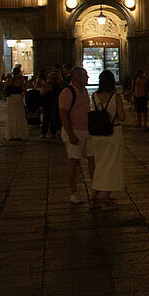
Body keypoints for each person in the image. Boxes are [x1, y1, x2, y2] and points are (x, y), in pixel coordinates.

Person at [89, 70, 126, 208]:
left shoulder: (94, 96)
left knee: (100, 165)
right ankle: (105, 197)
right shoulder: (115, 97)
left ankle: (94, 195)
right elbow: (122, 117)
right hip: (113, 133)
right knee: (112, 165)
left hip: (97, 135)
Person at [59, 66, 96, 203]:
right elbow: (63, 114)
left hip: (87, 130)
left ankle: (95, 189)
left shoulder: (84, 91)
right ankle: (73, 192)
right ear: (76, 77)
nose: (87, 78)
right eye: (85, 76)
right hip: (75, 130)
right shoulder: (67, 92)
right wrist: (70, 134)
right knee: (73, 161)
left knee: (93, 159)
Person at [4, 65, 28, 140]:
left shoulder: (9, 80)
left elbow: (5, 88)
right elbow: (24, 90)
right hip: (18, 98)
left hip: (11, 99)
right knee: (19, 115)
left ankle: (11, 134)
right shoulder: (20, 81)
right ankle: (18, 133)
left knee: (11, 116)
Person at [40, 70, 63, 139]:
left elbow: (42, 93)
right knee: (54, 118)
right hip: (55, 103)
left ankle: (46, 132)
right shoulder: (59, 85)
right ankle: (55, 131)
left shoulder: (49, 85)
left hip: (48, 103)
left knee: (47, 118)